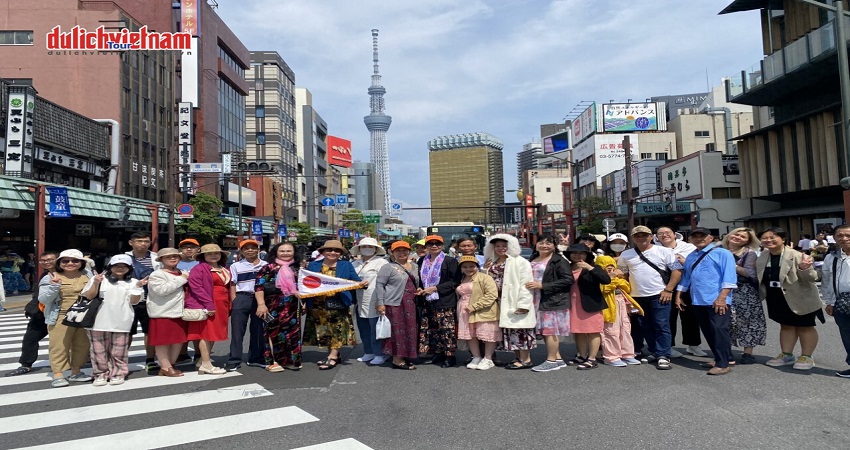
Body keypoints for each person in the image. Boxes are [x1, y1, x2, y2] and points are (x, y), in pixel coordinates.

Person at [617, 226, 683, 370]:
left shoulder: (664, 251)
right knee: (644, 325)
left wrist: (668, 290)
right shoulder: (626, 255)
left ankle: (664, 355)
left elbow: (677, 271)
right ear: (633, 238)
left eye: (644, 235)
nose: (641, 238)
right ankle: (655, 350)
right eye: (637, 236)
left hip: (660, 294)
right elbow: (623, 275)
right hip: (636, 297)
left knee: (661, 325)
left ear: (651, 236)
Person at [757, 227, 821, 370]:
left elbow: (813, 278)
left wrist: (804, 268)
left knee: (805, 327)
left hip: (799, 297)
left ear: (783, 239)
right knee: (785, 326)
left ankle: (807, 356)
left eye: (772, 237)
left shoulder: (796, 255)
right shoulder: (762, 256)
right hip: (776, 297)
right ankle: (787, 354)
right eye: (765, 238)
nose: (768, 240)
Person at [675, 228, 737, 375]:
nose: (698, 239)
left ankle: (723, 364)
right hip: (698, 300)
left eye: (702, 236)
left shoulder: (723, 253)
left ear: (710, 238)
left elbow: (729, 278)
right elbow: (686, 278)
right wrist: (679, 295)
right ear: (689, 239)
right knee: (708, 330)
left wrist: (722, 298)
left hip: (717, 299)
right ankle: (721, 358)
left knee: (719, 330)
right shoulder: (691, 256)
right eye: (694, 236)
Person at [83, 255, 146, 386]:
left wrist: (138, 287)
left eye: (124, 266)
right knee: (98, 351)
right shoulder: (99, 279)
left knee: (119, 351)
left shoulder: (134, 282)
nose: (120, 268)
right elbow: (89, 296)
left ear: (129, 268)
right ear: (110, 267)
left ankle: (118, 373)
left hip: (122, 321)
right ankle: (100, 374)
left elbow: (134, 301)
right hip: (98, 321)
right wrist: (95, 282)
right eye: (116, 265)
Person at [304, 240, 365, 370]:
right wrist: (304, 302)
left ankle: (332, 356)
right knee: (324, 330)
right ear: (323, 252)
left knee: (337, 330)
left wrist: (361, 284)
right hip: (317, 303)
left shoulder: (346, 265)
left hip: (339, 302)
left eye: (336, 251)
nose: (333, 252)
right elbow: (306, 284)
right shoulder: (313, 265)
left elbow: (355, 280)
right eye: (329, 250)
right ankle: (332, 354)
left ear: (340, 253)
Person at [38, 249, 94, 387]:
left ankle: (76, 371)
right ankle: (58, 374)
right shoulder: (50, 276)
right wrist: (54, 286)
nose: (70, 263)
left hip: (82, 315)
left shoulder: (87, 274)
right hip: (59, 316)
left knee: (82, 344)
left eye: (75, 260)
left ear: (81, 262)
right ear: (59, 262)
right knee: (59, 345)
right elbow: (43, 299)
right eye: (65, 261)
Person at [484, 234, 535, 370]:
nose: (501, 249)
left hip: (514, 300)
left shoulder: (520, 261)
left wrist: (524, 304)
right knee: (511, 332)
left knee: (520, 331)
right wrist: (485, 269)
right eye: (497, 246)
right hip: (499, 302)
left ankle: (526, 359)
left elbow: (526, 284)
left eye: (504, 246)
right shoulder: (493, 261)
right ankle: (518, 357)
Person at [5, 251, 57, 377]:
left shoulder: (67, 275)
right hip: (41, 313)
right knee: (30, 338)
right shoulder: (45, 274)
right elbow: (38, 295)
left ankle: (81, 361)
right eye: (43, 260)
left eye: (50, 260)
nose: (46, 262)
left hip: (59, 313)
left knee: (66, 340)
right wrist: (31, 307)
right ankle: (26, 364)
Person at [527, 235, 575, 372]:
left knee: (550, 331)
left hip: (552, 299)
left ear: (554, 246)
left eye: (548, 243)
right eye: (541, 243)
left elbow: (568, 280)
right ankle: (558, 358)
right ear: (536, 245)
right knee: (544, 330)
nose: (544, 245)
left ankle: (551, 361)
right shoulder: (533, 258)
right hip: (536, 298)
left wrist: (543, 286)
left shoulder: (558, 261)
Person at [255, 242, 303, 372]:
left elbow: (303, 286)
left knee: (291, 333)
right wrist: (261, 304)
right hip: (272, 306)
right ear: (276, 252)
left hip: (292, 306)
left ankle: (288, 360)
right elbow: (259, 287)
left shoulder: (298, 268)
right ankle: (272, 361)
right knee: (272, 332)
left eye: (289, 251)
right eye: (282, 251)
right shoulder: (268, 268)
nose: (285, 253)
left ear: (294, 252)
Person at [655, 226, 702, 358]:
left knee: (690, 316)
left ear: (675, 234)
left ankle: (693, 345)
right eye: (660, 233)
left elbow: (698, 265)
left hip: (687, 285)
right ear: (656, 237)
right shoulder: (655, 249)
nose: (664, 235)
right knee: (668, 316)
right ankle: (669, 346)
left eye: (667, 232)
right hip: (665, 285)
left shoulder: (689, 247)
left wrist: (684, 261)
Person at [186, 244, 232, 375]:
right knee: (205, 333)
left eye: (216, 253)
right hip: (208, 303)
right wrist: (209, 304)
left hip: (222, 303)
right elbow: (196, 288)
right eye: (209, 253)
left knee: (214, 333)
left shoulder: (223, 268)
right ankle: (206, 364)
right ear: (203, 256)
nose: (214, 255)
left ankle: (202, 360)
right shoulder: (199, 268)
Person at [721, 227, 765, 364]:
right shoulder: (717, 249)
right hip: (722, 290)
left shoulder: (749, 253)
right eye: (736, 234)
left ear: (748, 241)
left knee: (748, 322)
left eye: (743, 237)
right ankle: (725, 351)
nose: (738, 237)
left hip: (744, 291)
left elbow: (751, 274)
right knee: (725, 321)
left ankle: (748, 353)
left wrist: (731, 265)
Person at [562, 244, 610, 370]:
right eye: (574, 253)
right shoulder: (566, 267)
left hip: (590, 304)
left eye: (581, 253)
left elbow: (606, 280)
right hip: (572, 304)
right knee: (578, 332)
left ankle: (592, 358)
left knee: (593, 331)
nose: (577, 256)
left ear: (587, 255)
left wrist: (590, 268)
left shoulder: (594, 267)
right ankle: (582, 356)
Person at [375, 241, 421, 370]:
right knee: (397, 332)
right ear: (392, 252)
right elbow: (379, 285)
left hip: (411, 303)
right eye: (398, 251)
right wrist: (380, 303)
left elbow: (417, 282)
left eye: (405, 250)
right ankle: (397, 358)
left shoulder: (414, 266)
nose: (402, 253)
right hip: (394, 303)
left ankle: (407, 354)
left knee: (410, 329)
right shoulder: (388, 267)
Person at [417, 235, 461, 368]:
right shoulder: (421, 261)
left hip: (444, 300)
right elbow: (420, 280)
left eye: (437, 243)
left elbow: (455, 281)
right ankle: (437, 352)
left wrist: (436, 288)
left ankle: (449, 356)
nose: (434, 246)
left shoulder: (450, 261)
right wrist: (420, 288)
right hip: (427, 301)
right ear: (426, 246)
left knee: (447, 330)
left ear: (442, 245)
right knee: (433, 329)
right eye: (430, 244)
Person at [225, 239, 268, 371]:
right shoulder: (236, 266)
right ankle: (234, 359)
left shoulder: (265, 265)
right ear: (242, 251)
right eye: (246, 248)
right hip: (242, 297)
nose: (250, 250)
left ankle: (255, 358)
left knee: (258, 329)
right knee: (237, 331)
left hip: (260, 299)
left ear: (258, 250)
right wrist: (234, 300)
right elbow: (232, 284)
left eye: (253, 248)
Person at [146, 248, 190, 377]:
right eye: (168, 257)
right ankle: (165, 367)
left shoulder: (182, 272)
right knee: (162, 341)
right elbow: (161, 290)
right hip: (163, 311)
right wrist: (181, 279)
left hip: (179, 311)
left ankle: (171, 364)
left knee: (178, 340)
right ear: (162, 260)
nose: (172, 258)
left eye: (175, 256)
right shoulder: (157, 274)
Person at [455, 255, 501, 370]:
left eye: (472, 266)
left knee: (488, 335)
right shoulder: (461, 278)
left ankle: (488, 358)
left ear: (477, 266)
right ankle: (476, 356)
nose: (468, 269)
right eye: (465, 267)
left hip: (483, 309)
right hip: (464, 310)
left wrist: (475, 306)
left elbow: (492, 294)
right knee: (471, 335)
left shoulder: (484, 277)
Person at [596, 255, 643, 367]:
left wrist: (615, 279)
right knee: (611, 331)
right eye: (607, 266)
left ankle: (627, 354)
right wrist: (612, 278)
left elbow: (627, 287)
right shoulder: (598, 278)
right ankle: (611, 357)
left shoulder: (619, 277)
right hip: (609, 308)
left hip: (622, 305)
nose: (610, 268)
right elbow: (604, 288)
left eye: (612, 266)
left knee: (626, 329)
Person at [124, 231, 161, 372]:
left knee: (150, 331)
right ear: (131, 242)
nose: (143, 243)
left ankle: (150, 360)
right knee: (126, 332)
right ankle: (121, 360)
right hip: (128, 300)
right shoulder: (123, 258)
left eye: (146, 241)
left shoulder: (156, 258)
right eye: (139, 241)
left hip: (150, 300)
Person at [350, 237, 389, 365]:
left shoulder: (381, 263)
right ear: (359, 249)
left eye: (370, 247)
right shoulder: (354, 263)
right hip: (359, 299)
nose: (367, 249)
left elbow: (384, 282)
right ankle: (368, 351)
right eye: (364, 246)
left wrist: (381, 301)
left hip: (374, 298)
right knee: (363, 327)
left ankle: (380, 353)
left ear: (376, 249)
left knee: (375, 328)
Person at [822, 224, 850, 378]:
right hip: (842, 301)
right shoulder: (831, 257)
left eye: (848, 235)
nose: (844, 238)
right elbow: (827, 281)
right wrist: (830, 302)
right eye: (840, 235)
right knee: (847, 335)